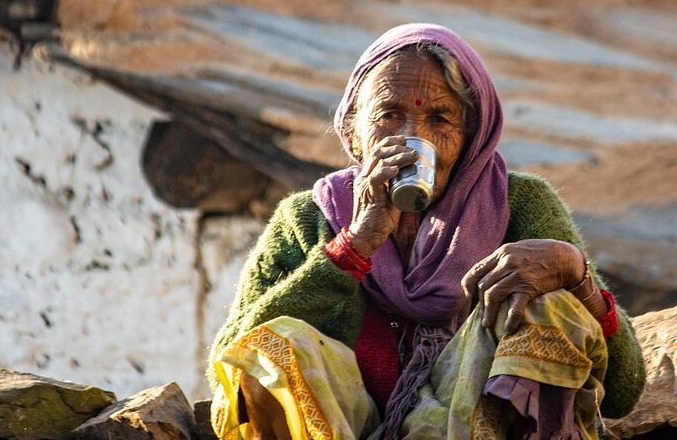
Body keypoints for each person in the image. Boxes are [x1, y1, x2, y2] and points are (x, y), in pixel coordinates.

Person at [207, 24, 645, 440]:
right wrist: (353, 247)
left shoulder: (518, 205)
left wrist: (578, 276)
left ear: (470, 136)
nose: (413, 137)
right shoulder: (308, 218)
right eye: (389, 115)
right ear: (355, 132)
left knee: (551, 304)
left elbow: (625, 392)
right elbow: (233, 363)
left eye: (440, 119)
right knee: (279, 342)